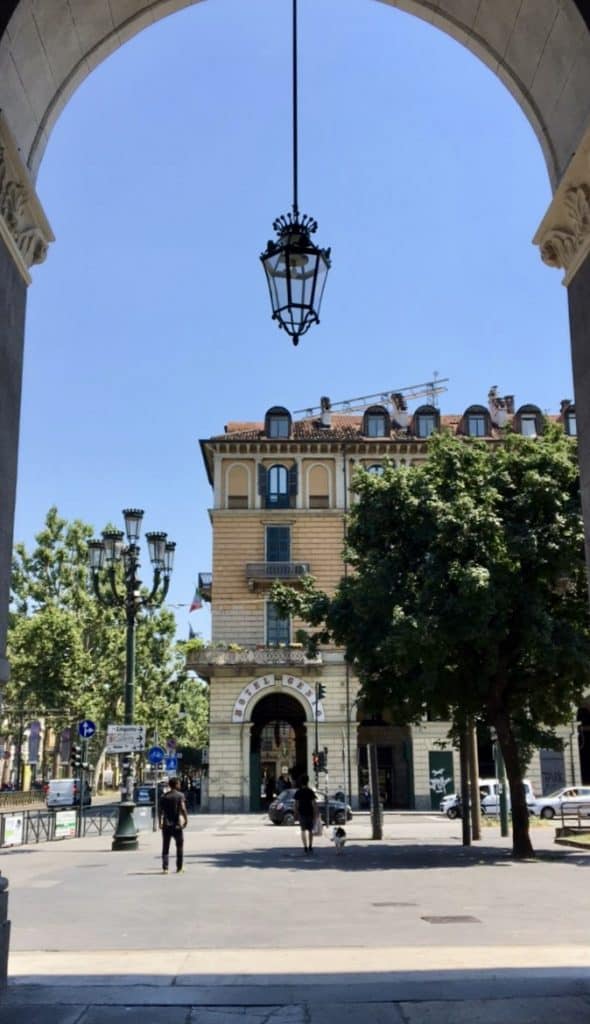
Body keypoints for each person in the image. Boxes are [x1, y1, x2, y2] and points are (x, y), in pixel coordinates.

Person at [158, 777, 188, 874]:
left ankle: (165, 868)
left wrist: (160, 822)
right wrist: (186, 819)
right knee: (179, 846)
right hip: (176, 825)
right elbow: (183, 809)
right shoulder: (180, 796)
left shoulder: (164, 796)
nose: (180, 785)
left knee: (165, 847)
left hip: (166, 825)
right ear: (176, 785)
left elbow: (160, 811)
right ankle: (179, 868)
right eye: (179, 783)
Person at [294, 774, 318, 855]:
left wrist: (295, 814)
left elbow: (296, 804)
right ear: (307, 782)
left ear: (301, 783)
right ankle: (310, 846)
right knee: (310, 830)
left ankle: (305, 847)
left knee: (303, 830)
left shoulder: (298, 792)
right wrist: (316, 814)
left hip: (302, 813)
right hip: (310, 813)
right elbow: (314, 804)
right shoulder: (310, 792)